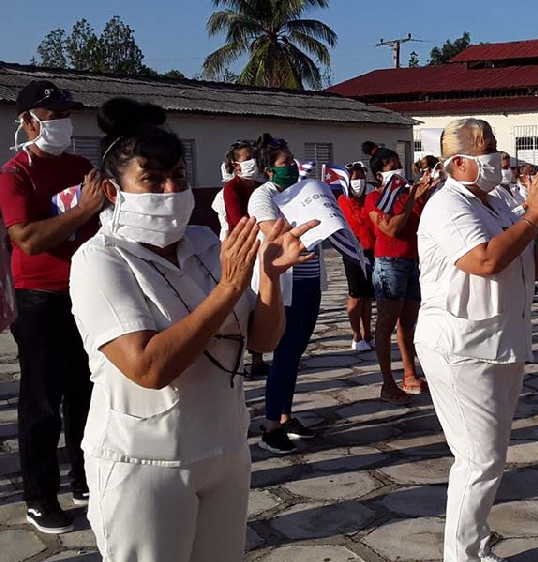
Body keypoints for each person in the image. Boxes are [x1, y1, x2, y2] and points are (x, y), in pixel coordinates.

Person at [70, 97, 315, 560]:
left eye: (178, 178)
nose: (169, 190)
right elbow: (148, 368)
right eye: (151, 180)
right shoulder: (100, 260)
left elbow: (262, 340)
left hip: (222, 449)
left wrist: (270, 277)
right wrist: (226, 289)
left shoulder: (204, 243)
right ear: (111, 192)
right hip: (145, 461)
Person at [416, 118, 538, 562]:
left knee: (489, 457)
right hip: (461, 347)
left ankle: (473, 549)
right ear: (457, 162)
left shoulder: (496, 201)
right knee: (478, 460)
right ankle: (462, 557)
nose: (497, 156)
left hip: (500, 340)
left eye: (496, 145)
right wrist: (534, 215)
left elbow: (531, 268)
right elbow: (483, 261)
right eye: (487, 147)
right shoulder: (446, 206)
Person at [0, 80, 101, 533]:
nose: (60, 123)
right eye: (50, 116)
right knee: (41, 401)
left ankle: (86, 479)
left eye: (65, 115)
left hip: (85, 291)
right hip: (39, 299)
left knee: (86, 393)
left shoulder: (82, 167)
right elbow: (28, 238)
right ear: (26, 122)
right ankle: (40, 497)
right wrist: (83, 211)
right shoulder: (15, 174)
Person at [248, 134, 324, 453]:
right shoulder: (262, 197)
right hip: (284, 287)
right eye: (284, 163)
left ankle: (285, 415)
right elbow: (276, 234)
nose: (291, 166)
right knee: (283, 354)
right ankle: (270, 425)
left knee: (293, 355)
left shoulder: (301, 191)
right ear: (268, 171)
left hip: (309, 282)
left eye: (292, 160)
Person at [365, 148, 432, 403]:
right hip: (389, 263)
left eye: (397, 163)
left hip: (412, 262)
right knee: (386, 324)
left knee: (408, 323)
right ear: (379, 173)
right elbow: (391, 229)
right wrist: (412, 197)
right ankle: (387, 382)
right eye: (389, 165)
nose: (396, 168)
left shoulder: (407, 194)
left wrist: (422, 194)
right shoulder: (375, 198)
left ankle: (409, 374)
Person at [220, 139, 269, 376]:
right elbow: (237, 221)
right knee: (243, 305)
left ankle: (258, 356)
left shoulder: (262, 186)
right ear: (235, 164)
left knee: (261, 303)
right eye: (246, 157)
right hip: (244, 249)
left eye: (254, 156)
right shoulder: (232, 189)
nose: (252, 161)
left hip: (264, 248)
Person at [338, 163, 375, 351]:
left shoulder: (371, 198)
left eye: (361, 177)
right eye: (354, 178)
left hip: (372, 251)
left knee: (368, 296)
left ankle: (368, 333)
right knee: (356, 295)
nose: (358, 181)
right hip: (352, 253)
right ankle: (356, 335)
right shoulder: (342, 200)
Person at [489, 151, 526, 217]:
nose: (509, 170)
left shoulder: (513, 188)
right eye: (505, 168)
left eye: (509, 167)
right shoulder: (493, 192)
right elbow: (504, 217)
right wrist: (524, 206)